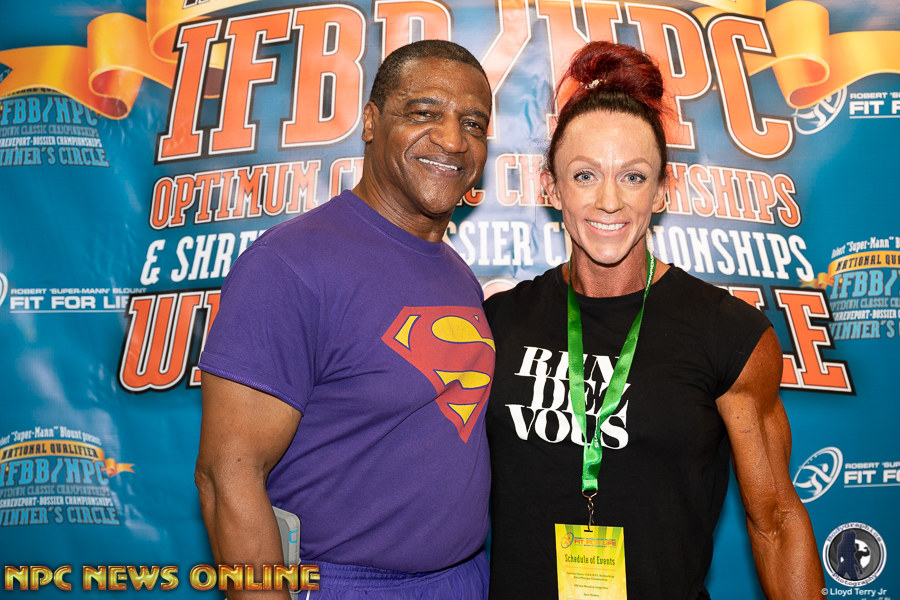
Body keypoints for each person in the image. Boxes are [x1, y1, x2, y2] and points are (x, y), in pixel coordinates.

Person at [484, 41, 825, 599]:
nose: (609, 201)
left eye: (634, 177)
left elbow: (777, 521)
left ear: (662, 191)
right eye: (585, 175)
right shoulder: (498, 323)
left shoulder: (728, 334)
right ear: (551, 188)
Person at [195, 40, 495, 599]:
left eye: (473, 124)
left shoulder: (457, 273)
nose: (453, 140)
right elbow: (226, 477)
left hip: (464, 579)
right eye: (424, 113)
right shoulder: (288, 265)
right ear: (371, 122)